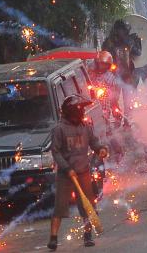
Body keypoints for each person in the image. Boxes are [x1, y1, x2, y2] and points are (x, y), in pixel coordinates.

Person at [49, 95, 109, 250]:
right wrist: (67, 168)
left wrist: (101, 149)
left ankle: (87, 235)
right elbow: (55, 152)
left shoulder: (85, 127)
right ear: (71, 112)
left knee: (87, 204)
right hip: (65, 174)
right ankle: (53, 238)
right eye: (79, 109)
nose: (82, 112)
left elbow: (94, 142)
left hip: (83, 172)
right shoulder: (59, 129)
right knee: (60, 206)